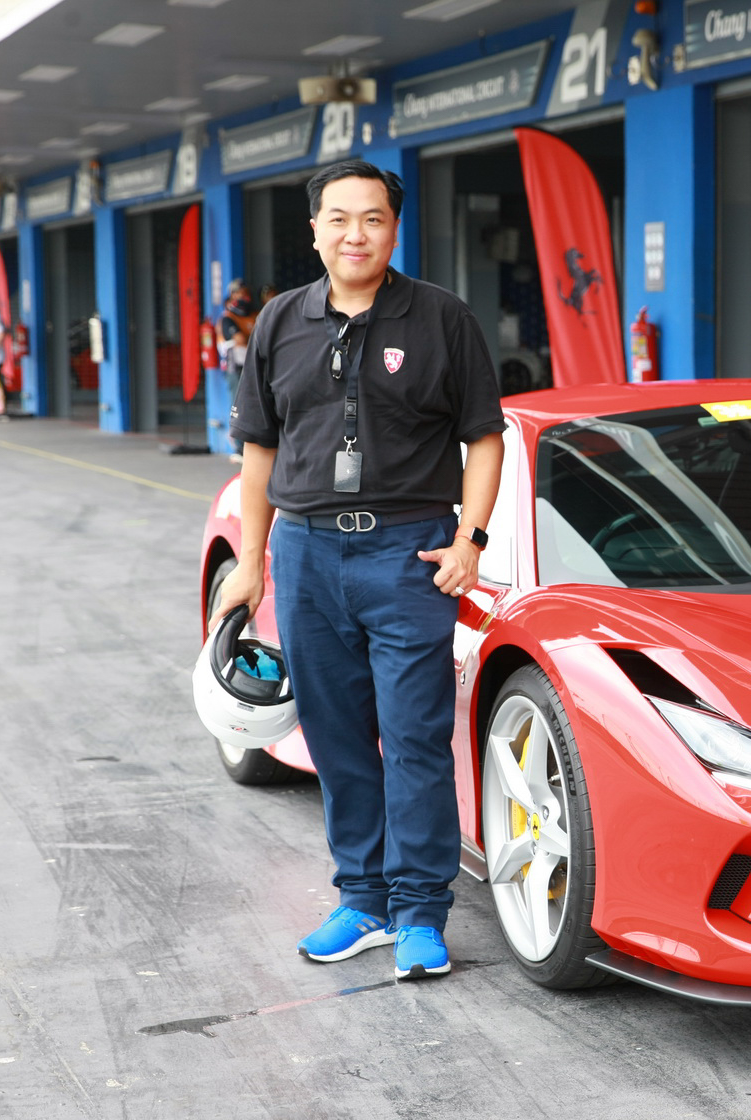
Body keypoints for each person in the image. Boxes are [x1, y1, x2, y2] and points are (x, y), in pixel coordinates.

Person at [211, 159, 505, 982]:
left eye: (372, 219)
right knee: (337, 738)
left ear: (393, 228)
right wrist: (252, 563)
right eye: (338, 219)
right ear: (314, 230)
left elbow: (486, 435)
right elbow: (259, 450)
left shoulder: (443, 319)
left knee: (413, 738)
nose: (355, 234)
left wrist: (470, 541)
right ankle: (363, 902)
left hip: (407, 552)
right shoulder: (278, 322)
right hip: (306, 552)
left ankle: (420, 913)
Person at [217, 280, 257, 462]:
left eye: (244, 293)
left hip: (255, 365)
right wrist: (253, 339)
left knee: (256, 405)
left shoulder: (256, 314)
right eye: (238, 294)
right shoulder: (227, 318)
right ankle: (239, 447)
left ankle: (252, 445)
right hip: (236, 367)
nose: (242, 297)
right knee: (238, 406)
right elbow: (239, 338)